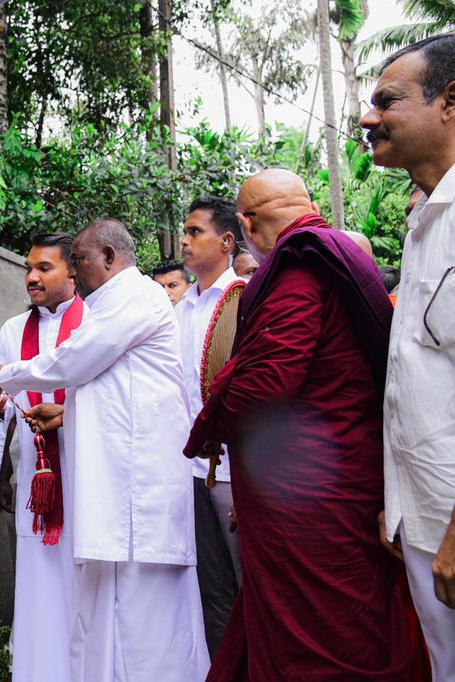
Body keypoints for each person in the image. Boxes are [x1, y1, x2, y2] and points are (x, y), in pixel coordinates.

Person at [183, 169, 410, 680]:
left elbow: (266, 381)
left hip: (310, 493)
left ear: (247, 224)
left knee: (317, 639)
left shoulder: (297, 268)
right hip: (338, 473)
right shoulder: (336, 254)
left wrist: (209, 425)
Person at [0, 220, 209, 682]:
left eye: (78, 260)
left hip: (138, 493)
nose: (77, 273)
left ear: (108, 256)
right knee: (109, 615)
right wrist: (63, 416)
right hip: (116, 492)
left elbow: (77, 360)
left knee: (147, 618)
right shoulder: (110, 303)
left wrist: (5, 374)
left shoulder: (134, 296)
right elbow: (110, 392)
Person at [361, 34, 455, 678]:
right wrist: (400, 505)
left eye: (388, 101)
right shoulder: (426, 219)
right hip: (424, 518)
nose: (368, 119)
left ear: (451, 103)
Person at [0, 232, 82, 682]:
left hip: (82, 471)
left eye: (45, 268)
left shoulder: (94, 319)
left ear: (73, 272)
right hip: (34, 479)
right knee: (36, 582)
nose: (31, 277)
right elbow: (7, 415)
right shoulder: (14, 330)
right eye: (28, 268)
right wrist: (0, 480)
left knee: (83, 581)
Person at [176, 196, 243, 656]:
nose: (184, 240)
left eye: (195, 231)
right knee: (211, 589)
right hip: (188, 472)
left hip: (237, 471)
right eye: (184, 231)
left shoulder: (246, 299)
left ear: (226, 240)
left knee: (250, 583)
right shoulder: (179, 309)